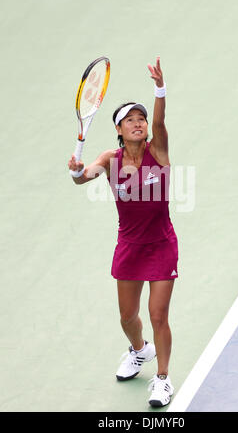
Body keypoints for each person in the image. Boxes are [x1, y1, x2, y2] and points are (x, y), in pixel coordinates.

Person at [68, 57, 179, 407]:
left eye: (141, 118)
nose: (138, 123)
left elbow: (160, 122)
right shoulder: (111, 159)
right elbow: (86, 176)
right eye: (129, 120)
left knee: (159, 315)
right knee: (128, 317)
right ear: (118, 129)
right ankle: (139, 350)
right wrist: (76, 170)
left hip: (161, 245)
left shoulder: (157, 151)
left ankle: (162, 379)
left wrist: (159, 89)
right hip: (129, 246)